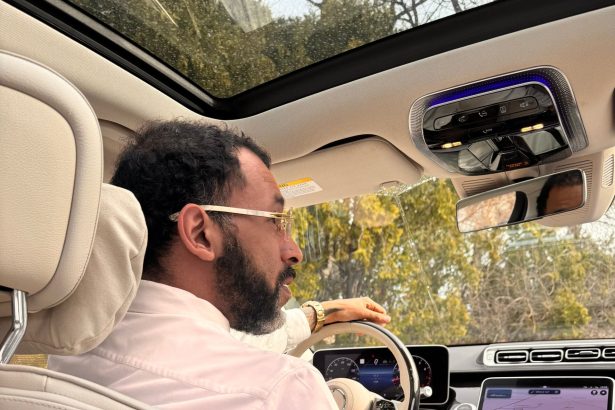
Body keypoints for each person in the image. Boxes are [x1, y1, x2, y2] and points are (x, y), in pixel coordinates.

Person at [48, 120, 390, 409]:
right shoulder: (281, 391)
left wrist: (321, 314)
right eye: (276, 221)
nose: (294, 251)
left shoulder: (61, 365)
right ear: (200, 234)